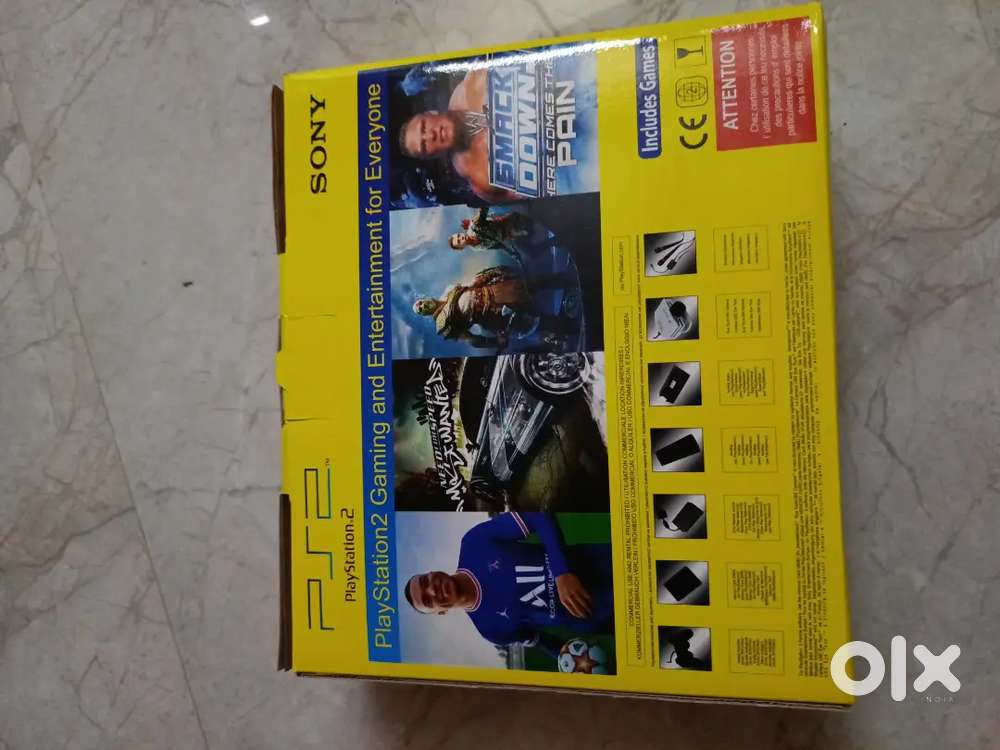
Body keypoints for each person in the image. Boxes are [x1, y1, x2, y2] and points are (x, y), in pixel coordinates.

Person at [403, 512, 614, 656]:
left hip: (605, 564)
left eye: (425, 581)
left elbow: (538, 516)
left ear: (432, 572)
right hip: (604, 618)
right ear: (441, 612)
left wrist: (561, 572)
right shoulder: (490, 630)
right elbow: (538, 639)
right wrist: (569, 659)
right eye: (428, 600)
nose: (432, 589)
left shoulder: (474, 543)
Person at [397, 69, 516, 203]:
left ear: (431, 113)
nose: (430, 136)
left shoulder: (474, 84)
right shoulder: (477, 176)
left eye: (424, 127)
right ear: (432, 156)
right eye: (424, 145)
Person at [448, 207, 530, 261]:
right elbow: (496, 245)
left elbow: (484, 209)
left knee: (528, 222)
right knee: (528, 232)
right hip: (508, 235)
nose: (461, 238)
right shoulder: (476, 248)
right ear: (461, 248)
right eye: (459, 241)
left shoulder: (474, 226)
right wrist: (510, 253)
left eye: (459, 235)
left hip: (508, 222)